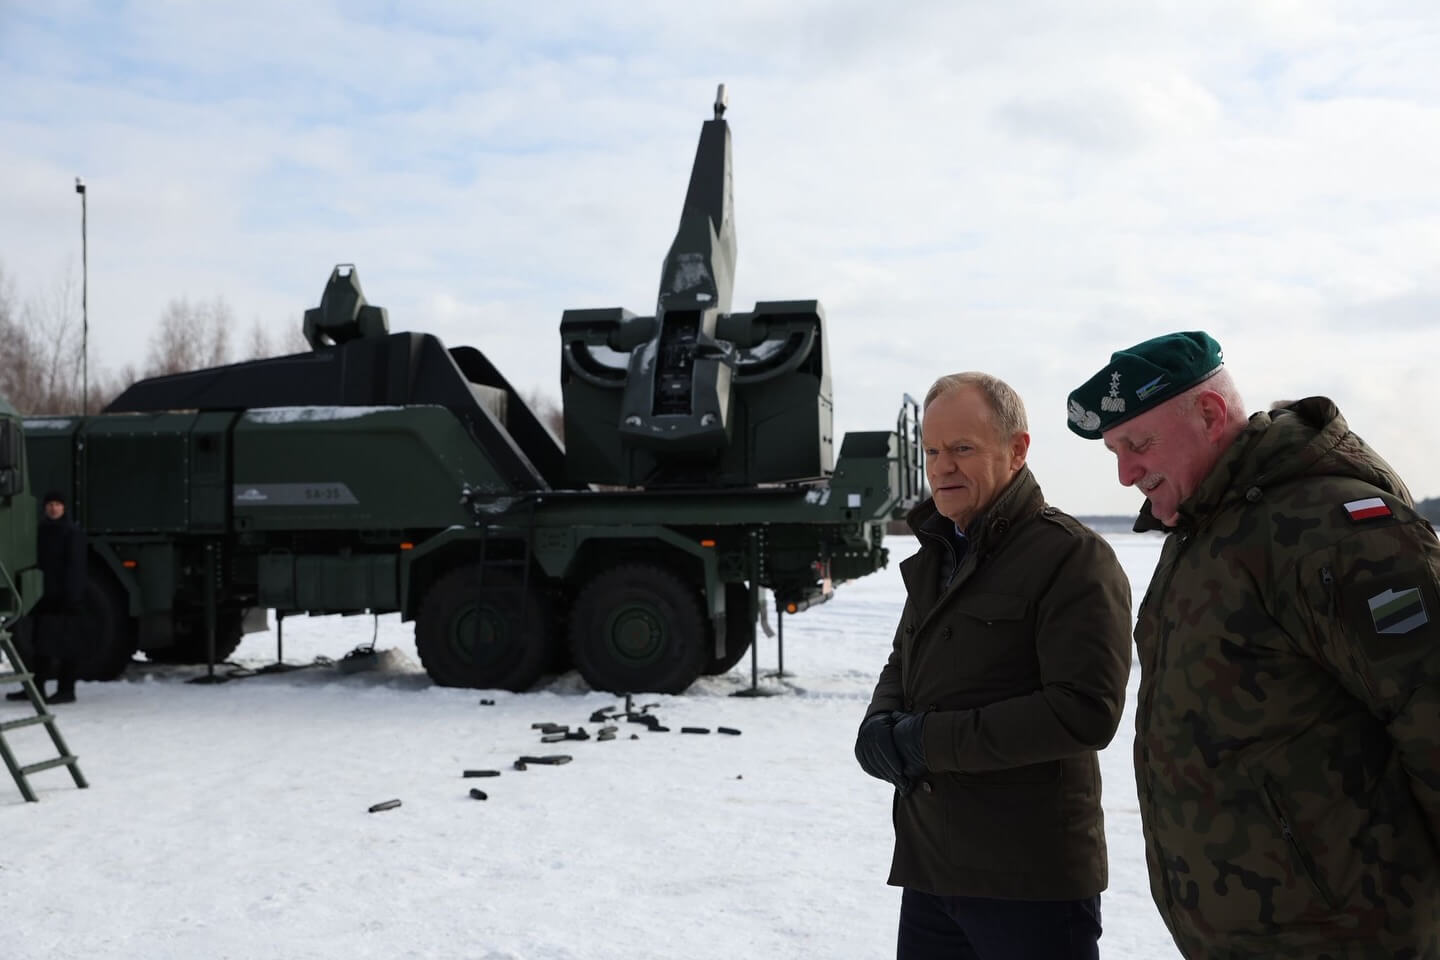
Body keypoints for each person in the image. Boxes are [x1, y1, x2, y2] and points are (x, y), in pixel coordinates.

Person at [1067, 331, 1440, 958]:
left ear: (1210, 415)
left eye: (1138, 444)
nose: (1126, 473)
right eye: (1114, 451)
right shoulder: (1207, 530)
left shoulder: (1334, 531)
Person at [855, 372, 1133, 960]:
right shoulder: (939, 552)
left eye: (963, 448)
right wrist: (879, 727)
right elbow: (905, 658)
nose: (942, 467)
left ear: (1017, 450)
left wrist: (925, 742)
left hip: (1029, 881)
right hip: (931, 869)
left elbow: (1084, 712)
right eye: (932, 451)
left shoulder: (1073, 557)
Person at [6, 490, 87, 705]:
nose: (54, 508)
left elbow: (76, 568)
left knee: (67, 645)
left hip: (65, 599)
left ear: (64, 508)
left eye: (58, 505)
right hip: (44, 597)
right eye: (50, 504)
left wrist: (72, 597)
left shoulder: (72, 533)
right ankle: (36, 688)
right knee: (41, 645)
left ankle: (66, 690)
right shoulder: (40, 531)